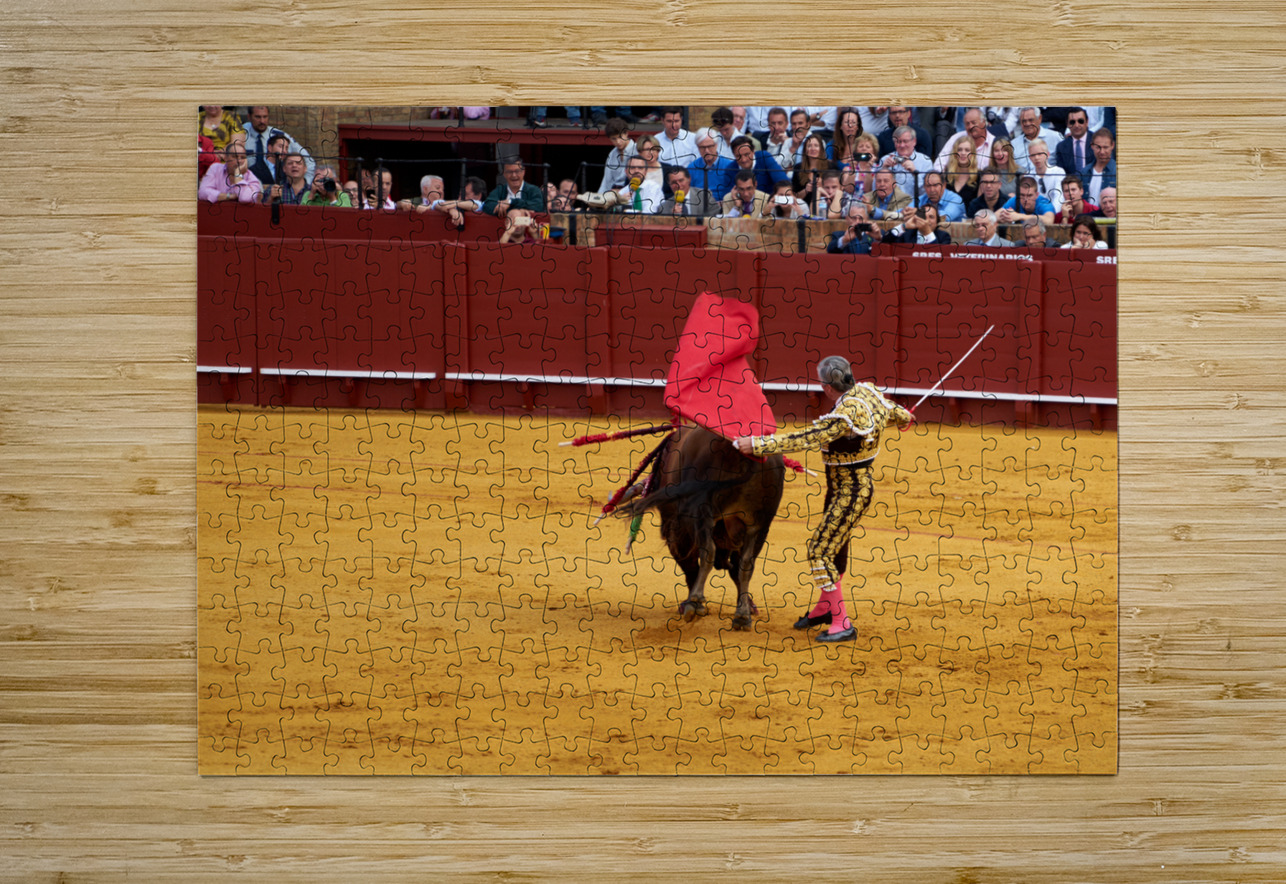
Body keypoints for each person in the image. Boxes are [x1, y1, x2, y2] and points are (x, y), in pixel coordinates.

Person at [732, 357, 913, 642]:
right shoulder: (867, 392)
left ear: (828, 387)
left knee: (820, 550)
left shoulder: (844, 417)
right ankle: (825, 608)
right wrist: (905, 418)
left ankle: (842, 623)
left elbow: (805, 438)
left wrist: (756, 444)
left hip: (851, 492)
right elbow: (895, 410)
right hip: (842, 487)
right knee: (835, 548)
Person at [242, 106, 314, 185]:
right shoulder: (241, 134)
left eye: (265, 117)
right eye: (257, 117)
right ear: (249, 117)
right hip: (249, 186)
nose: (262, 121)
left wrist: (304, 184)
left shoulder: (280, 136)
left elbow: (309, 161)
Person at [879, 125, 934, 199]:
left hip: (915, 205)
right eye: (898, 142)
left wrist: (915, 173)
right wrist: (884, 169)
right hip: (890, 205)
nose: (902, 145)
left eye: (905, 141)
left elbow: (927, 193)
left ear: (914, 141)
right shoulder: (885, 160)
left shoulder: (925, 161)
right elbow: (875, 190)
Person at [198, 142, 264, 203]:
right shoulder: (215, 168)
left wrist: (238, 175)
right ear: (225, 157)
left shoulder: (251, 177)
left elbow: (245, 198)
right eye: (235, 156)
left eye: (242, 157)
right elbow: (202, 192)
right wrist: (230, 196)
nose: (239, 161)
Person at [934, 107, 996, 173]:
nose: (970, 126)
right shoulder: (956, 138)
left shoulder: (994, 143)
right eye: (967, 124)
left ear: (983, 122)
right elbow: (939, 163)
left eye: (973, 122)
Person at [1012, 107, 1063, 173]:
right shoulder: (1013, 144)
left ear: (1039, 119)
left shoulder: (1055, 138)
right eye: (1024, 121)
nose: (1027, 124)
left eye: (1031, 120)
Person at [686, 134, 737, 201]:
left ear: (716, 145)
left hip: (723, 206)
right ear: (698, 148)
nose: (706, 151)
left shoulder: (729, 166)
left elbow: (734, 191)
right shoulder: (691, 168)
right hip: (699, 207)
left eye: (710, 146)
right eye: (702, 147)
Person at [596, 118, 636, 194]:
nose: (618, 142)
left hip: (632, 193)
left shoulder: (637, 150)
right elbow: (606, 181)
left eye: (620, 137)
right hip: (613, 193)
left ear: (626, 133)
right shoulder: (612, 154)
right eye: (614, 139)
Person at [655, 106, 700, 172]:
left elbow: (697, 164)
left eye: (676, 121)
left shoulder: (692, 139)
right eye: (669, 121)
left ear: (681, 120)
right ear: (662, 120)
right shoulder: (655, 140)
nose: (673, 125)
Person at [1025, 141, 1066, 212]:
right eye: (1033, 155)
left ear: (1048, 154)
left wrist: (1051, 214)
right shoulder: (1028, 176)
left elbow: (1059, 197)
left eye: (1040, 154)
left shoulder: (1058, 172)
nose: (1036, 158)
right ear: (1030, 158)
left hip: (1055, 215)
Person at [790, 134, 832, 204]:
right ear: (805, 149)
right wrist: (806, 190)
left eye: (816, 146)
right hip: (804, 208)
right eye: (809, 146)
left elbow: (836, 192)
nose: (813, 149)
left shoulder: (830, 166)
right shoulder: (798, 168)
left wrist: (823, 186)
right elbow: (795, 197)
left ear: (821, 149)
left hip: (825, 207)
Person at [1081, 128, 1118, 203]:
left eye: (1105, 147)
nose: (1102, 152)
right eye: (1098, 147)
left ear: (1112, 145)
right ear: (1092, 146)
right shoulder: (1084, 171)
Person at [1054, 107, 1093, 178]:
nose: (1076, 125)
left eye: (1080, 121)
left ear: (1087, 122)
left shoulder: (1097, 141)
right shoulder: (1061, 147)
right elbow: (1061, 175)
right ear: (1067, 124)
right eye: (1072, 122)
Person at [942, 137, 979, 208]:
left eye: (967, 150)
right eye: (959, 150)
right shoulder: (947, 175)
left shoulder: (979, 176)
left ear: (972, 154)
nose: (963, 153)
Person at [887, 204, 951, 244]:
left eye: (931, 217)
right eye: (924, 216)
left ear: (937, 223)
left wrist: (927, 233)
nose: (927, 220)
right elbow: (885, 241)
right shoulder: (907, 235)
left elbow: (939, 257)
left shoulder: (944, 237)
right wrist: (903, 226)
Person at [761, 107, 796, 171]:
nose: (776, 127)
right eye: (773, 123)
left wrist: (788, 145)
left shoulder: (793, 141)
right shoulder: (760, 139)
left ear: (787, 124)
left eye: (780, 123)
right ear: (768, 124)